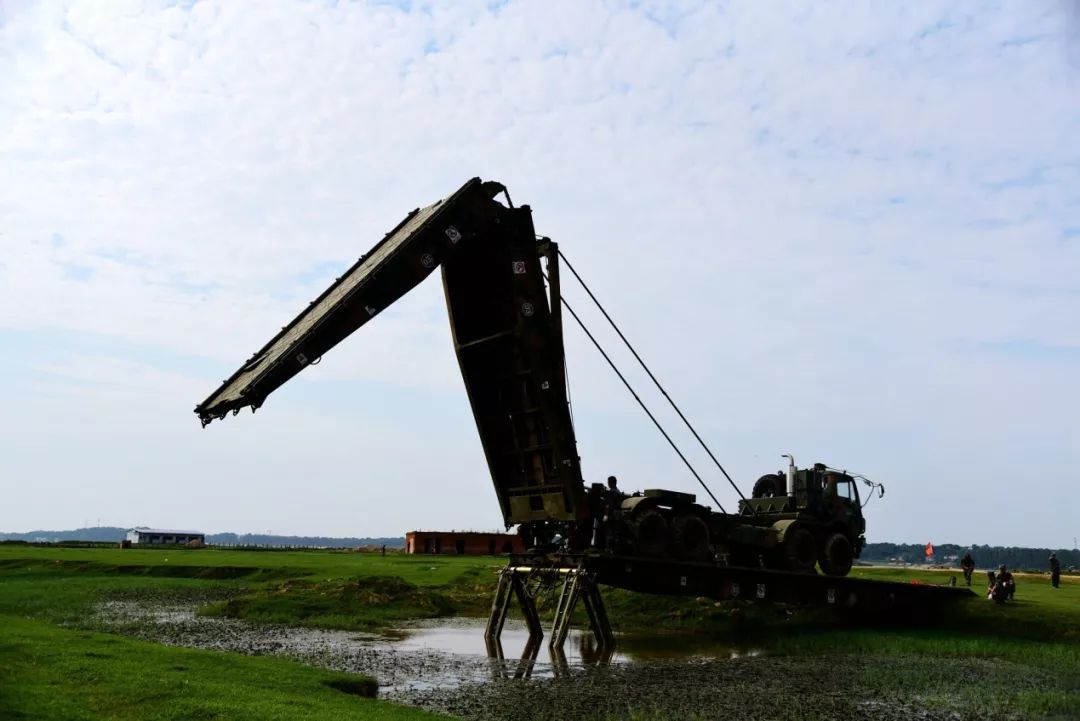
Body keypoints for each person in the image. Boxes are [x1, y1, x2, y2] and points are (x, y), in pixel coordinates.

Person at [603, 475, 626, 553]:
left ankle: (609, 549)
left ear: (610, 483)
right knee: (616, 534)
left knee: (609, 533)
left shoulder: (612, 492)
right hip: (618, 515)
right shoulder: (618, 492)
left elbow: (609, 505)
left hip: (612, 515)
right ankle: (616, 549)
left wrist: (606, 515)